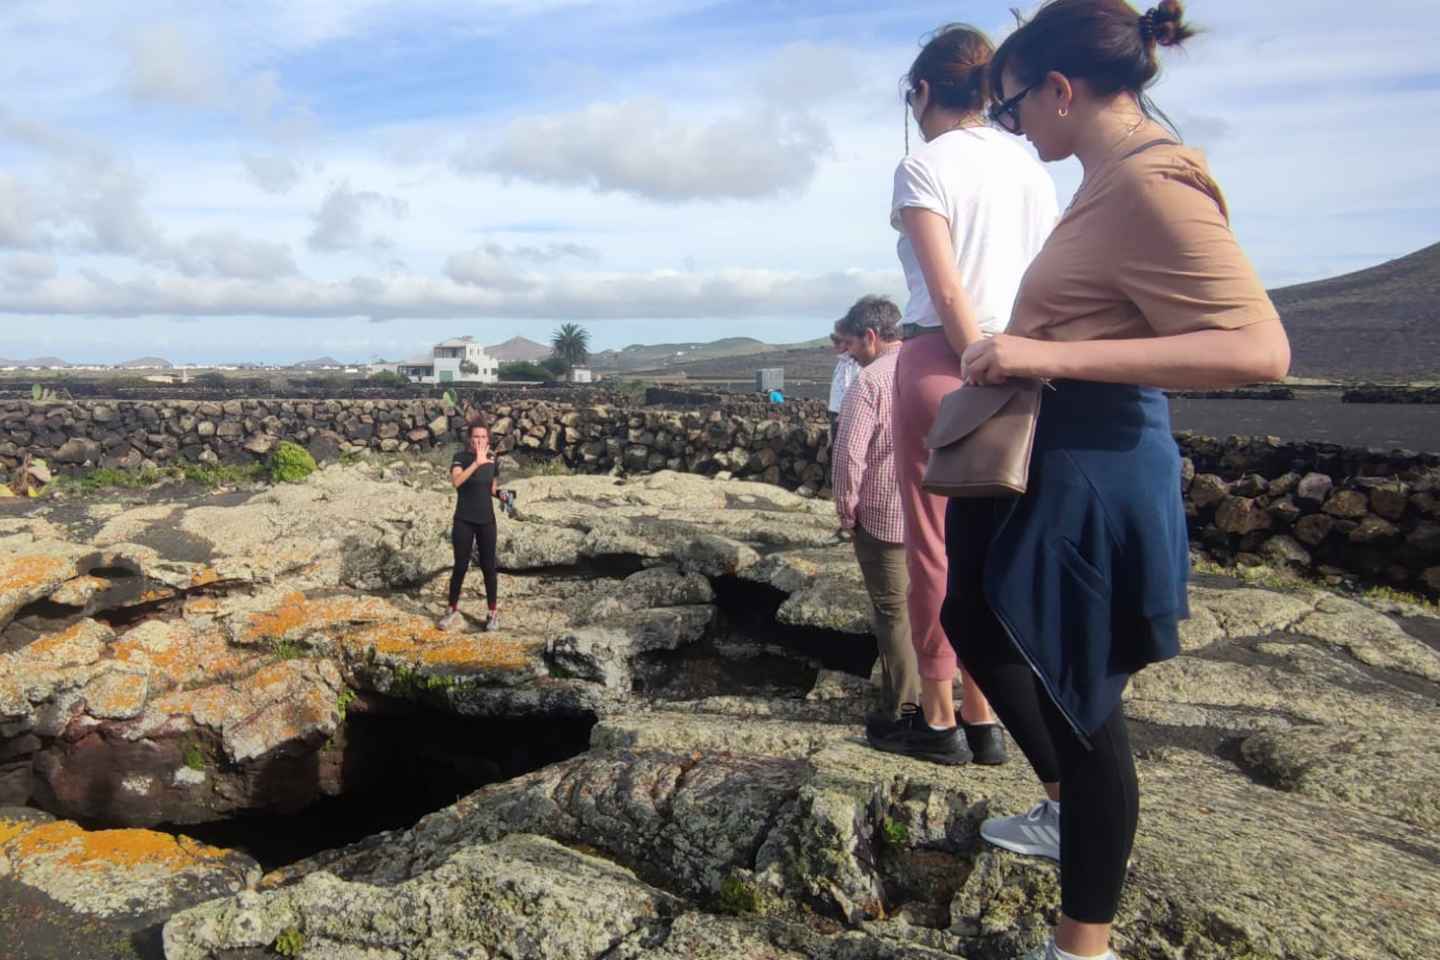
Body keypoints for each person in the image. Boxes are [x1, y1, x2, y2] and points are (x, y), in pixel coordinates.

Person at [944, 3, 1291, 959]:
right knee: (974, 615)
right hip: (1056, 451)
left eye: (1011, 107)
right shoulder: (1104, 182)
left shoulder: (1150, 180)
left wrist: (1041, 354)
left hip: (1096, 463)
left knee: (1083, 698)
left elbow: (1259, 348)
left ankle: (1082, 944)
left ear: (1060, 90)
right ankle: (1065, 809)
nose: (1011, 126)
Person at [881, 23, 1058, 765]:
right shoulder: (1031, 166)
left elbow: (948, 288)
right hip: (1026, 361)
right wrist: (1012, 362)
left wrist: (972, 359)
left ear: (923, 91)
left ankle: (937, 717)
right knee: (996, 549)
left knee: (933, 547)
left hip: (945, 358)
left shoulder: (924, 165)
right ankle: (987, 718)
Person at [829, 296, 922, 741]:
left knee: (893, 612)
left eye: (852, 345)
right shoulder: (929, 368)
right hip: (936, 511)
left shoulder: (869, 382)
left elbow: (849, 453)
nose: (850, 354)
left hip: (885, 515)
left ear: (870, 335)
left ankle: (904, 709)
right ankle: (946, 701)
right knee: (933, 605)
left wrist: (846, 507)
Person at [439, 421, 511, 632]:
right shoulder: (460, 458)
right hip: (464, 519)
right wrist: (476, 463)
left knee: (489, 567)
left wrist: (502, 494)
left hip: (487, 520)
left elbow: (490, 487)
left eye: (483, 437)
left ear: (488, 439)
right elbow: (456, 482)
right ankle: (451, 609)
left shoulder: (492, 459)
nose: (479, 440)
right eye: (476, 436)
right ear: (470, 438)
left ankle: (492, 613)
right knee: (460, 566)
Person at [826, 333, 859, 453]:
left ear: (847, 343)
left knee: (843, 450)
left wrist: (843, 413)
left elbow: (848, 388)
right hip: (835, 411)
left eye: (838, 342)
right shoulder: (841, 362)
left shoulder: (853, 363)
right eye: (834, 342)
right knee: (836, 449)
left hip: (842, 414)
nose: (835, 346)